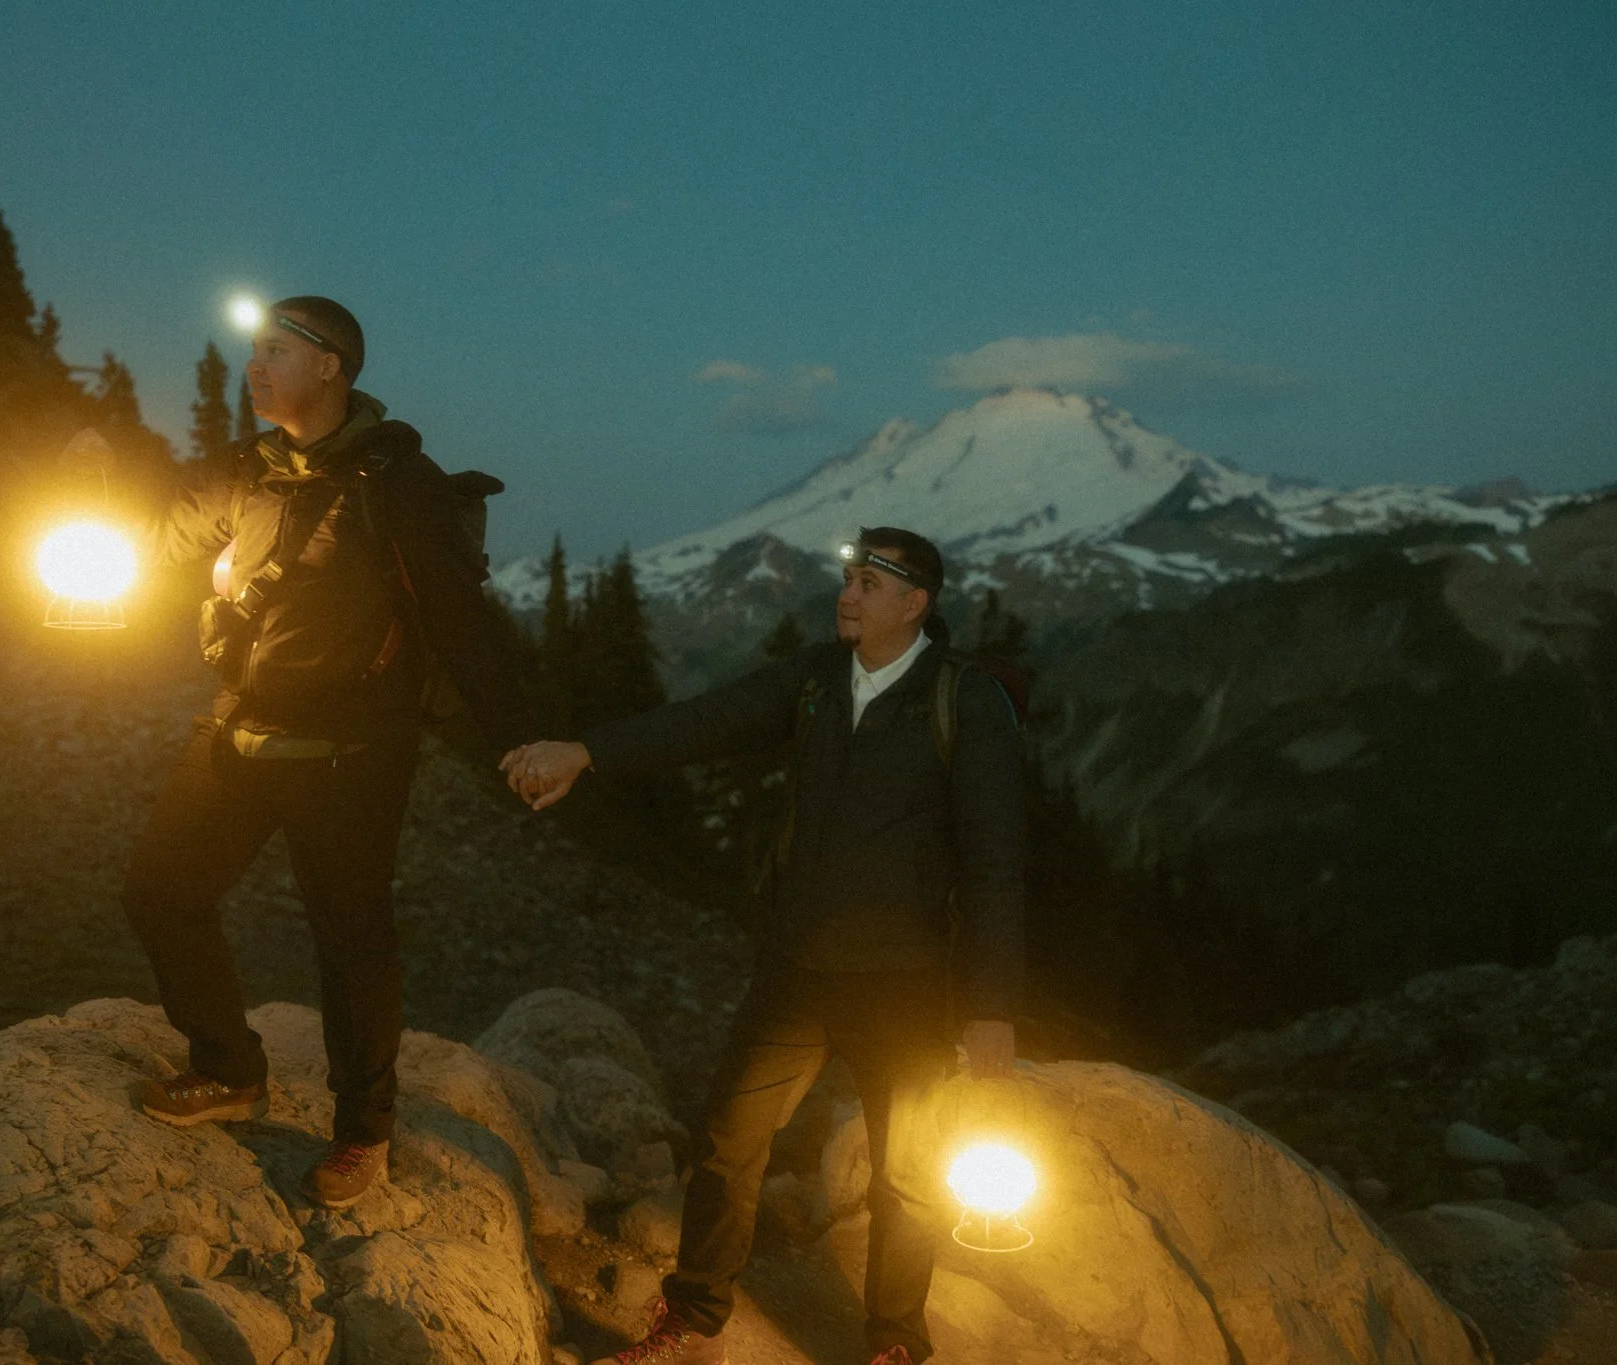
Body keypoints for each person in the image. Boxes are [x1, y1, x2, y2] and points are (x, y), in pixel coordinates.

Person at [504, 527, 1023, 1365]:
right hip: (800, 971)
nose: (847, 592)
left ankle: (894, 1340)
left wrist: (992, 1007)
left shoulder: (964, 702)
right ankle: (695, 1317)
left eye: (868, 582)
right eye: (848, 577)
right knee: (728, 1143)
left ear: (915, 602)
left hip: (909, 984)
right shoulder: (818, 679)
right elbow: (705, 722)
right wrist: (588, 754)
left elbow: (999, 861)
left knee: (908, 1171)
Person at [117, 295, 522, 1211]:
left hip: (353, 751)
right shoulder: (247, 470)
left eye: (274, 351)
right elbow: (164, 537)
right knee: (161, 889)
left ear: (332, 365)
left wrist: (523, 739)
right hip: (243, 725)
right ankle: (229, 1068)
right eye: (252, 350)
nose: (253, 365)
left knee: (351, 942)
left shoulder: (399, 484)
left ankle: (363, 1133)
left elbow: (463, 624)